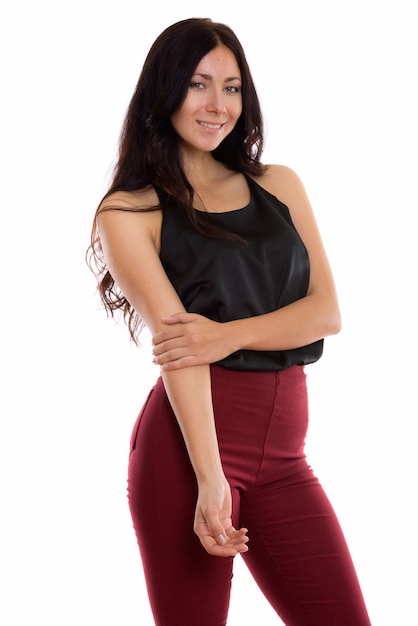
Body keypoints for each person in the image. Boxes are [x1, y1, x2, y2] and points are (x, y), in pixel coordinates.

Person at [87, 17, 371, 626]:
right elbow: (179, 350)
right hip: (189, 453)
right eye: (198, 84)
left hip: (284, 459)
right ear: (163, 93)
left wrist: (226, 334)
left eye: (233, 87)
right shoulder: (130, 210)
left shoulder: (279, 185)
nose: (218, 105)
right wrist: (210, 479)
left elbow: (327, 312)